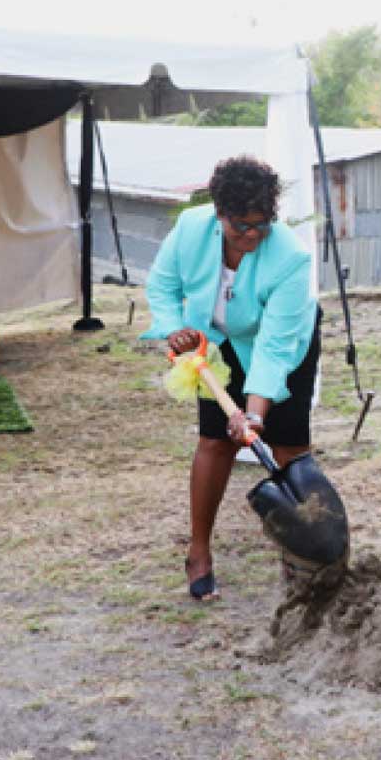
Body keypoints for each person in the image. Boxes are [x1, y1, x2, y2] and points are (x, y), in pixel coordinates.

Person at [142, 155, 320, 601]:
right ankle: (198, 550)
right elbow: (162, 287)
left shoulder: (291, 259)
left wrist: (254, 414)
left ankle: (300, 555)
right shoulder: (189, 230)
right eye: (242, 226)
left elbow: (275, 348)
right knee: (214, 440)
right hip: (216, 346)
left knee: (289, 446)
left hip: (283, 343)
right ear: (220, 214)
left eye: (263, 225)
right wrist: (173, 329)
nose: (253, 235)